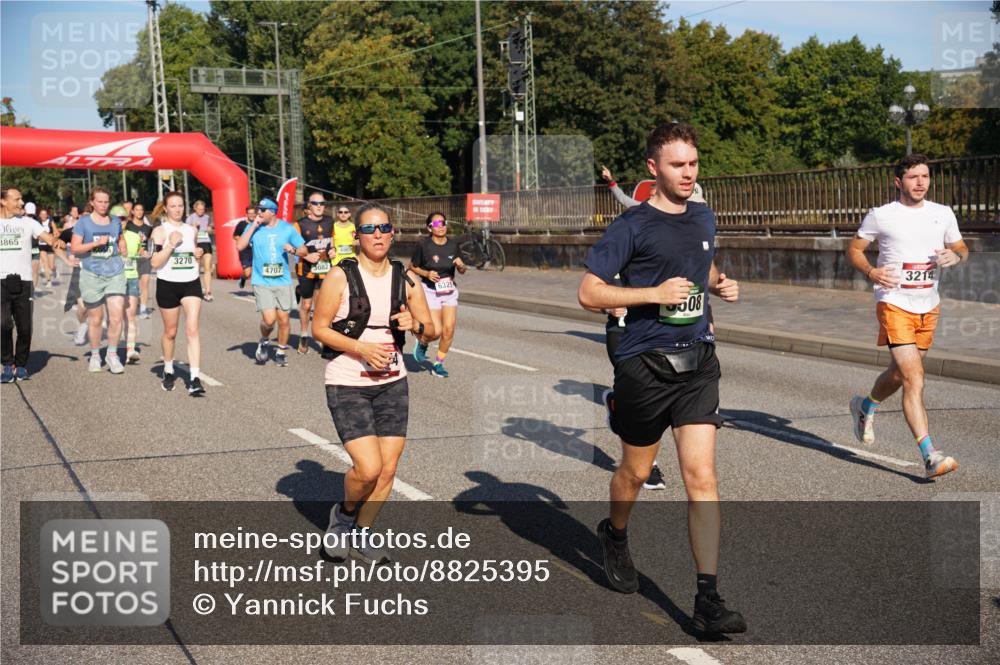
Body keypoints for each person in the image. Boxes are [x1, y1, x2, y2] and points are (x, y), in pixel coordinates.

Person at [579, 123, 745, 634]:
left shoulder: (704, 213)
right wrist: (652, 295)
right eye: (678, 165)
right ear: (654, 169)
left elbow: (700, 263)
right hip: (643, 364)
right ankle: (616, 533)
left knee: (702, 478)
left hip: (698, 362)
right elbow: (589, 293)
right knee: (633, 472)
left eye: (693, 163)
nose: (689, 173)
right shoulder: (631, 225)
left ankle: (708, 600)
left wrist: (718, 283)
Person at [312, 202, 434, 562]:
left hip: (393, 381)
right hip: (348, 380)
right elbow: (319, 328)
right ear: (357, 236)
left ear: (393, 233)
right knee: (368, 468)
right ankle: (343, 518)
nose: (377, 235)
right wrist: (361, 348)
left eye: (383, 228)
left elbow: (433, 330)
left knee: (389, 468)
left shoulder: (407, 279)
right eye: (369, 230)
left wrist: (417, 327)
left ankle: (364, 533)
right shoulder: (339, 276)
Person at [847, 153, 968, 479]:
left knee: (900, 375)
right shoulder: (882, 215)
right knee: (914, 378)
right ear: (899, 182)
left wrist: (953, 257)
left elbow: (962, 248)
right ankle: (930, 456)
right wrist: (872, 273)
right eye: (913, 177)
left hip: (929, 305)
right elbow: (854, 249)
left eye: (925, 176)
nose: (920, 183)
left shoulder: (942, 214)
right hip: (894, 302)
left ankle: (866, 405)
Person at [235, 197, 315, 367]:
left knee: (284, 319)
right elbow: (240, 246)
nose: (259, 213)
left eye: (262, 210)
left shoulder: (287, 228)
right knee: (270, 320)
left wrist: (292, 249)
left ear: (272, 212)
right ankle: (264, 340)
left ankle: (280, 351)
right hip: (261, 280)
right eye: (258, 210)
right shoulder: (254, 227)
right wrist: (254, 225)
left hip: (283, 281)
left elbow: (304, 250)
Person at [1, 187, 61, 382]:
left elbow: (48, 238)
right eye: (17, 199)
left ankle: (21, 364)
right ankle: (8, 364)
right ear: (3, 201)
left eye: (22, 199)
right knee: (3, 325)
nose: (21, 203)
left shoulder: (29, 223)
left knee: (25, 328)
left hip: (24, 281)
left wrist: (56, 241)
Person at [149, 191, 206, 394]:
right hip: (167, 284)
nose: (177, 209)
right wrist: (171, 244)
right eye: (173, 206)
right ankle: (168, 369)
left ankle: (195, 378)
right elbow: (154, 262)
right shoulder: (159, 231)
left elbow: (195, 253)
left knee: (192, 330)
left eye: (180, 205)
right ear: (165, 208)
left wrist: (197, 254)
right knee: (171, 332)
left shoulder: (192, 230)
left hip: (190, 283)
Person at [71, 188, 128, 375]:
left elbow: (120, 239)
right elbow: (76, 249)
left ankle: (112, 355)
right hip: (91, 275)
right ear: (92, 202)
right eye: (100, 201)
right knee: (96, 319)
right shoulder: (83, 223)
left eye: (106, 202)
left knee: (116, 317)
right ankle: (95, 355)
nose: (104, 205)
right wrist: (95, 244)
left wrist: (123, 247)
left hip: (115, 273)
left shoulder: (115, 222)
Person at [409, 211, 466, 378]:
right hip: (430, 291)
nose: (440, 226)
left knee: (449, 331)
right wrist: (426, 274)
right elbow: (412, 266)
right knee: (435, 332)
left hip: (449, 291)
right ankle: (423, 342)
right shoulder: (424, 246)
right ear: (429, 228)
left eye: (443, 223)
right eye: (436, 224)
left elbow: (462, 270)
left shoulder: (453, 245)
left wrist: (461, 265)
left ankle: (438, 365)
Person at [294, 193, 334, 354]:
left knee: (322, 306)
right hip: (306, 269)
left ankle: (324, 340)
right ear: (308, 205)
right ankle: (304, 335)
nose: (319, 206)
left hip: (325, 269)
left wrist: (333, 250)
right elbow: (289, 246)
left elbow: (332, 242)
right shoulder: (299, 224)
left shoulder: (330, 222)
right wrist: (306, 255)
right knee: (306, 304)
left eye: (322, 203)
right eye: (315, 203)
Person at [601, 165, 705, 206]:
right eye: (651, 196)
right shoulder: (644, 207)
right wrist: (611, 181)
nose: (652, 198)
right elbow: (622, 198)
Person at [122, 208, 149, 364]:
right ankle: (111, 351)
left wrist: (143, 254)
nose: (121, 222)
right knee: (116, 317)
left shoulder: (134, 236)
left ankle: (130, 350)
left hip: (131, 278)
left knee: (131, 314)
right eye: (117, 219)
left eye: (124, 219)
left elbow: (140, 251)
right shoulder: (108, 236)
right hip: (113, 281)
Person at [129, 203, 155, 319]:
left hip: (144, 259)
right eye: (137, 210)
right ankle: (131, 305)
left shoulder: (148, 228)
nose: (139, 212)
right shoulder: (127, 226)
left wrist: (150, 253)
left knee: (145, 283)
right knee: (132, 285)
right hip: (130, 259)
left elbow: (153, 242)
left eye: (141, 210)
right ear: (133, 212)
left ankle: (143, 309)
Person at [186, 200, 214, 302]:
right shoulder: (190, 218)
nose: (201, 211)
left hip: (206, 243)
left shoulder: (207, 217)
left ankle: (208, 291)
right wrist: (193, 227)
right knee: (196, 268)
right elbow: (187, 232)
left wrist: (210, 229)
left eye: (203, 209)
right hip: (195, 244)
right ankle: (195, 289)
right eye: (199, 209)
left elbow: (211, 229)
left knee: (207, 267)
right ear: (195, 208)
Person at [233, 205, 256, 289]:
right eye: (249, 213)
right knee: (247, 273)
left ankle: (256, 290)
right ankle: (243, 278)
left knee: (257, 271)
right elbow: (235, 236)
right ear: (246, 214)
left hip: (255, 249)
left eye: (253, 213)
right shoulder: (242, 224)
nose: (251, 215)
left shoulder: (258, 224)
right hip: (245, 251)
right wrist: (244, 240)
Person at [37, 208, 57, 288]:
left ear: (47, 215)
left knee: (51, 266)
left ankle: (55, 270)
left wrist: (53, 235)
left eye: (45, 214)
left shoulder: (50, 222)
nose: (43, 216)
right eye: (42, 214)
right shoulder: (37, 223)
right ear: (39, 215)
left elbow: (56, 232)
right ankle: (49, 281)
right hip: (41, 245)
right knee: (45, 263)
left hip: (50, 245)